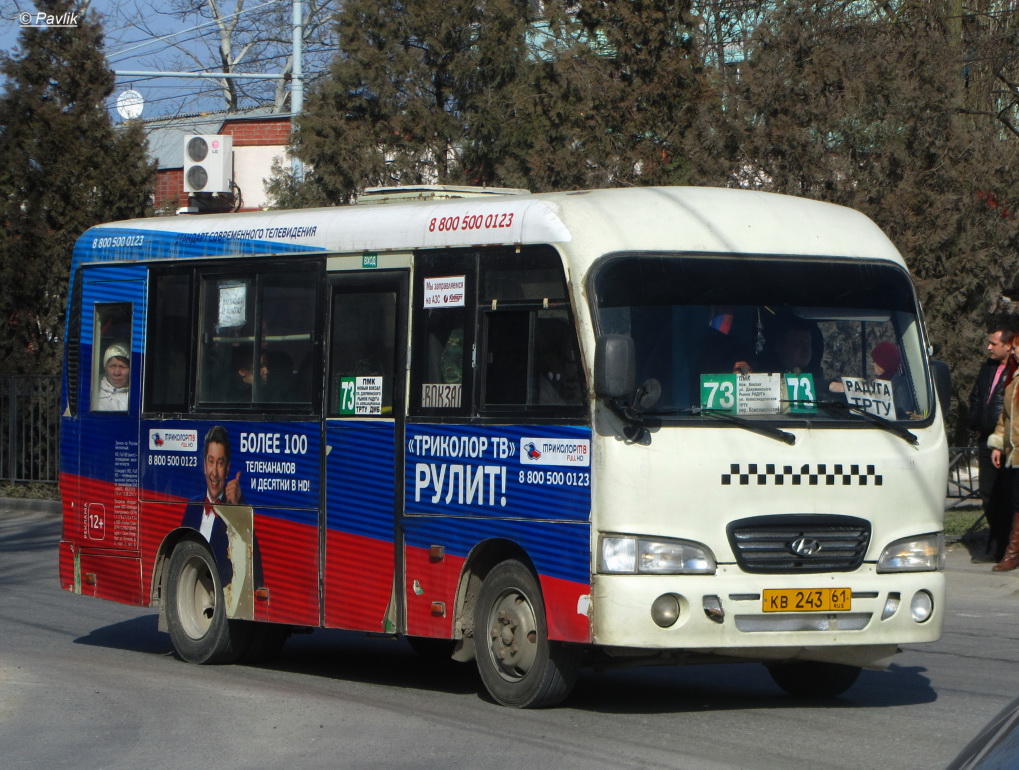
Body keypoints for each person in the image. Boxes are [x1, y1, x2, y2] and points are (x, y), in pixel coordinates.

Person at [180, 425, 245, 584]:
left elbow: (248, 565)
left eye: (220, 463)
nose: (214, 472)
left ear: (227, 469)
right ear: (204, 465)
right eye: (211, 462)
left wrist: (236, 509)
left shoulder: (237, 508)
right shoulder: (192, 506)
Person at [975, 330, 1016, 562]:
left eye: (993, 343)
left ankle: (1005, 545)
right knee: (988, 493)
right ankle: (998, 540)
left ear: (1008, 346)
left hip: (1006, 441)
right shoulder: (987, 368)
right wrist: (975, 422)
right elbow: (977, 396)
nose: (989, 348)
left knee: (1008, 494)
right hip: (986, 438)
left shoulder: (1014, 371)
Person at [987, 333, 1019, 571]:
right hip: (1014, 453)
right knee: (1015, 501)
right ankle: (1012, 552)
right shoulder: (1013, 378)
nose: (1015, 352)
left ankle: (1012, 552)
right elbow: (1004, 417)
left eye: (1018, 348)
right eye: (1015, 348)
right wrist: (998, 444)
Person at [96, 343, 130, 411]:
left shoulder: (140, 394)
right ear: (105, 368)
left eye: (122, 367)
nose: (116, 373)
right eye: (112, 366)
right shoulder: (94, 390)